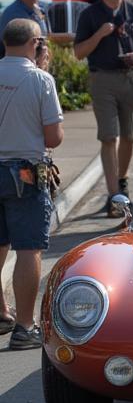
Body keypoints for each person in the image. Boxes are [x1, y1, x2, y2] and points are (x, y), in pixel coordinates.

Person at [73, 0, 133, 217]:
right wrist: (99, 35)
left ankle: (122, 180)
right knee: (109, 137)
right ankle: (114, 197)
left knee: (129, 136)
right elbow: (78, 53)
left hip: (129, 77)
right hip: (102, 79)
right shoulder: (90, 15)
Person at [0, 18, 64, 349]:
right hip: (24, 172)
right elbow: (54, 136)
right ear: (35, 43)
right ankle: (25, 326)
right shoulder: (41, 80)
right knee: (28, 248)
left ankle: (2, 312)